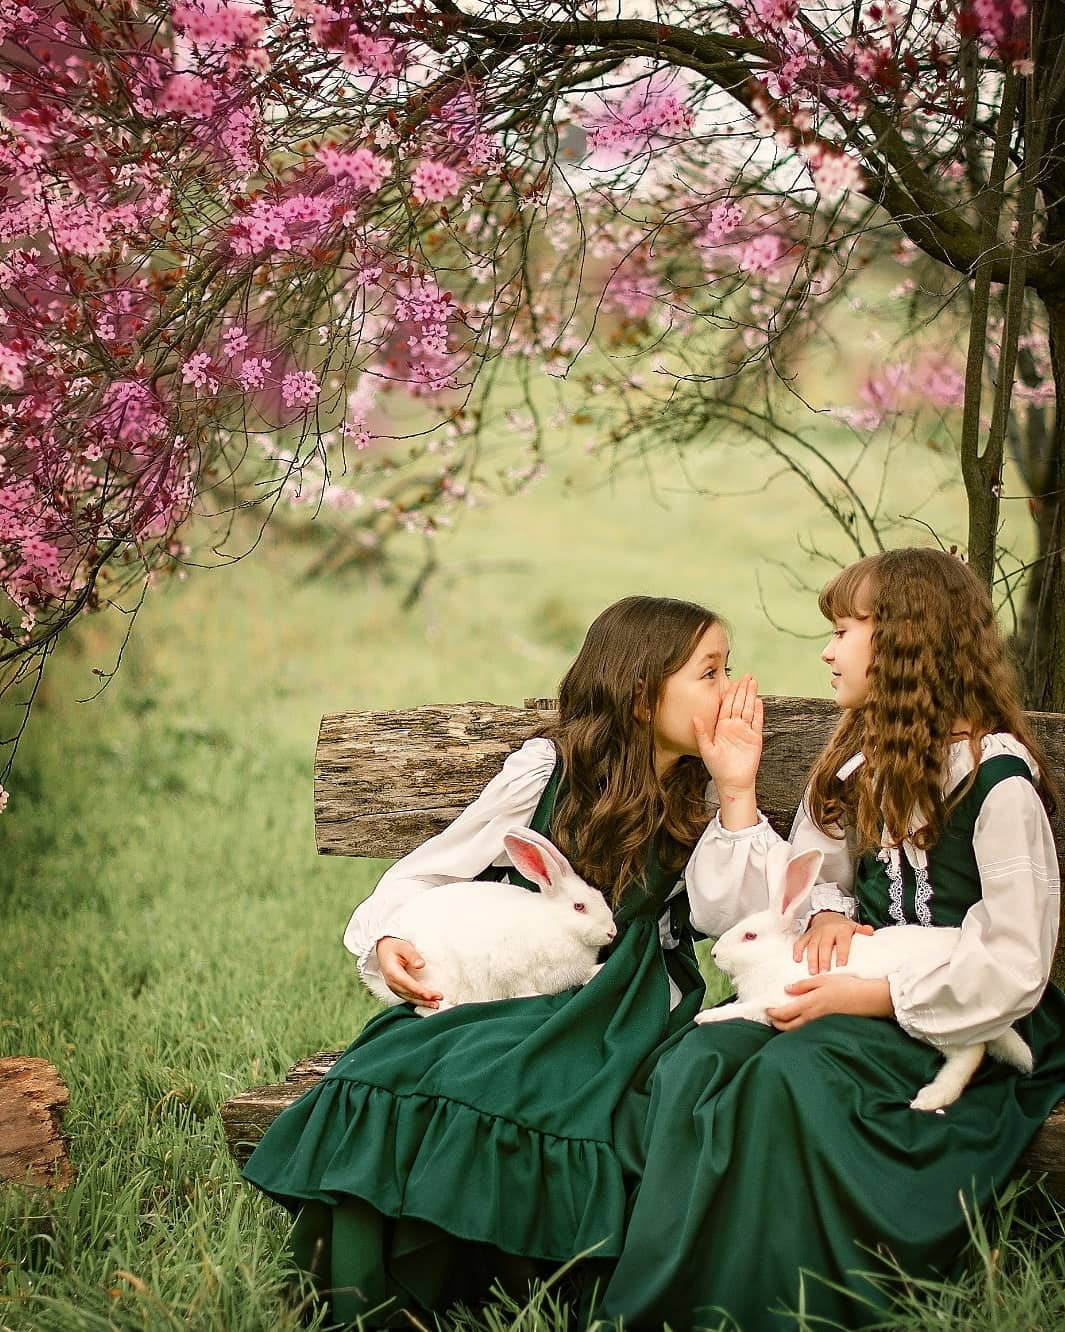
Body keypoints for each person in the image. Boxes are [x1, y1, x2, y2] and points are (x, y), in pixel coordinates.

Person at [242, 595, 770, 1327]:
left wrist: (739, 788)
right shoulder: (547, 769)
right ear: (642, 694)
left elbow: (737, 916)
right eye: (709, 673)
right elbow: (428, 872)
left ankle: (514, 1276)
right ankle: (370, 1296)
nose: (734, 692)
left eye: (728, 669)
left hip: (628, 1001)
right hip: (519, 981)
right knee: (409, 1062)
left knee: (546, 1085)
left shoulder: (709, 790)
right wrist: (390, 939)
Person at [597, 547, 1065, 1332]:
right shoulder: (859, 758)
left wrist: (875, 995)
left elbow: (1016, 958)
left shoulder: (996, 781)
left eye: (847, 628)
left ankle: (781, 1304)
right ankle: (664, 1297)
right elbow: (821, 869)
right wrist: (820, 913)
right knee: (695, 1061)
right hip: (852, 978)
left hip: (957, 1013)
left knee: (794, 1075)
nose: (827, 647)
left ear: (909, 642)